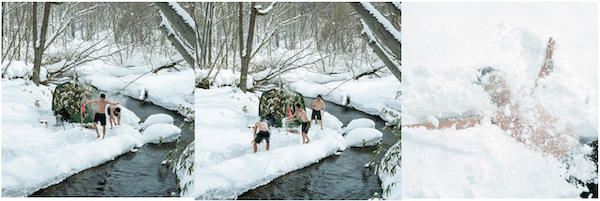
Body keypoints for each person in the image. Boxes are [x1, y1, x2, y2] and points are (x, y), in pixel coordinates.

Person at [404, 37, 571, 158]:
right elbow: (454, 124)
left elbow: (542, 78)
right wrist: (414, 127)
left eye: (500, 79)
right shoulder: (497, 115)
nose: (499, 84)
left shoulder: (526, 96)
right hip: (566, 162)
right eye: (492, 82)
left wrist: (549, 55)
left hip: (579, 147)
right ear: (489, 93)